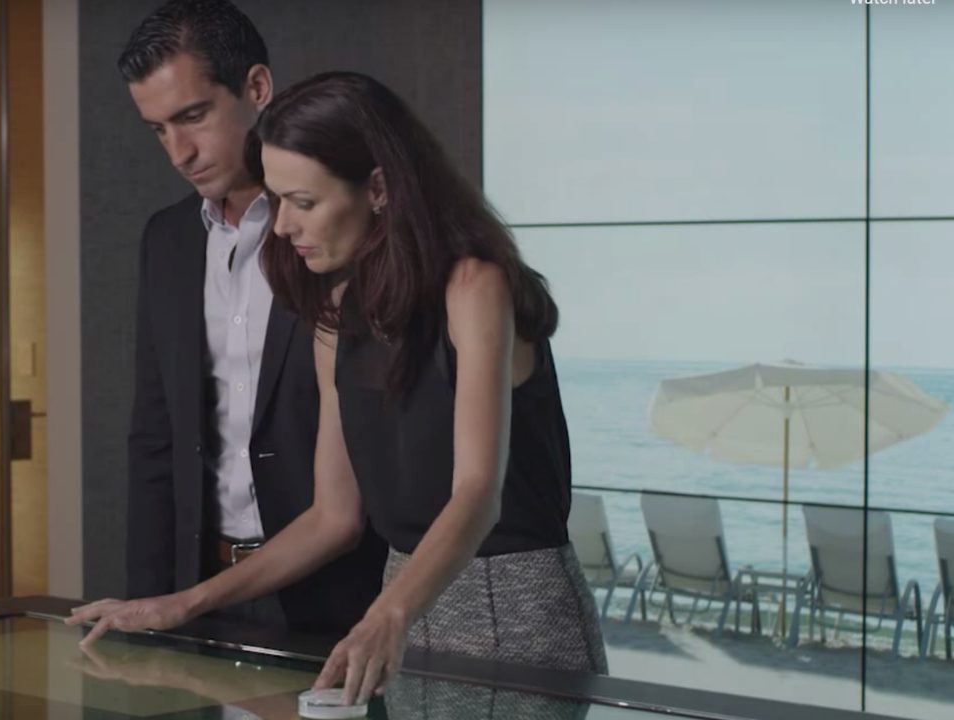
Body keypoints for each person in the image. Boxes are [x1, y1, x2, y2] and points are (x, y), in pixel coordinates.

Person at [70, 68, 607, 705]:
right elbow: (334, 518)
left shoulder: (476, 285)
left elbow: (475, 495)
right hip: (401, 611)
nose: (283, 227)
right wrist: (181, 604)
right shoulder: (335, 312)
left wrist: (387, 615)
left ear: (377, 187)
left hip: (511, 611)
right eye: (279, 201)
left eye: (304, 202)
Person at [71, 0, 386, 637]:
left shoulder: (339, 234)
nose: (179, 152)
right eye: (158, 129)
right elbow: (155, 439)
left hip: (340, 594)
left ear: (257, 88)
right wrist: (151, 602)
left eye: (193, 116)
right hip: (199, 591)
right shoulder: (167, 240)